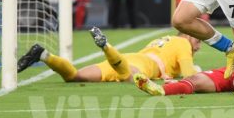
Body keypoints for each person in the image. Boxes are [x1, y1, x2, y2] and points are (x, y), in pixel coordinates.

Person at [17, 26, 201, 83]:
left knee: (74, 76)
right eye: (198, 40)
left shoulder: (167, 39)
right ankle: (105, 46)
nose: (198, 46)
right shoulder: (183, 42)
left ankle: (43, 55)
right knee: (130, 77)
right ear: (187, 34)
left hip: (125, 58)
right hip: (144, 65)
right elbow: (189, 77)